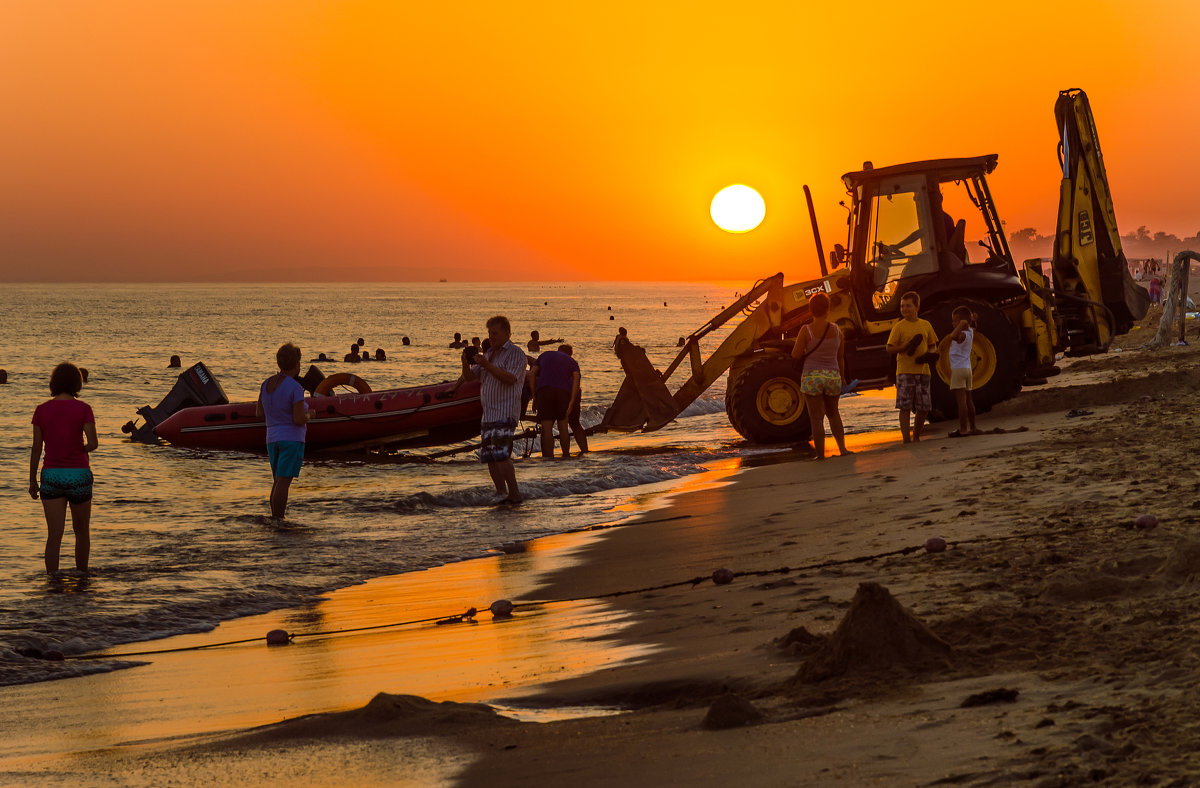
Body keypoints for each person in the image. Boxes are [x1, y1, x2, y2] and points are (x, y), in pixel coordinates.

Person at [29, 362, 97, 575]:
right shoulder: (84, 409)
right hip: (78, 474)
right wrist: (81, 449)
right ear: (77, 383)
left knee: (54, 534)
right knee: (81, 532)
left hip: (51, 475)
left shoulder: (41, 410)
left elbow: (36, 449)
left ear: (54, 383)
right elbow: (93, 443)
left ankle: (52, 582)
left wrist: (32, 481)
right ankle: (82, 577)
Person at [464, 316, 527, 504]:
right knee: (491, 457)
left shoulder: (515, 353)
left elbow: (510, 379)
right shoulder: (490, 353)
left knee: (501, 455)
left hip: (505, 411)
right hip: (488, 414)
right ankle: (501, 492)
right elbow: (469, 377)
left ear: (507, 333)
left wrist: (487, 365)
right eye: (489, 333)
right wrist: (464, 362)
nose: (491, 337)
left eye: (495, 333)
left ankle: (514, 493)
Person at [790, 293, 851, 459]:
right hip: (832, 375)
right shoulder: (837, 330)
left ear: (810, 310)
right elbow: (840, 357)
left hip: (812, 377)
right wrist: (843, 377)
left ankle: (820, 455)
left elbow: (795, 355)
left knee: (816, 418)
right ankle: (843, 450)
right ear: (828, 308)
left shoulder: (806, 330)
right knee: (834, 414)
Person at [255, 343, 310, 518]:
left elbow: (259, 413)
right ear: (296, 364)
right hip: (291, 439)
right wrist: (311, 415)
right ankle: (278, 520)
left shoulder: (266, 384)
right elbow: (299, 418)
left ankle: (275, 518)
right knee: (283, 482)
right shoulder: (295, 388)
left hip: (272, 438)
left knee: (278, 481)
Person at [884, 291, 939, 443]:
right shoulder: (899, 327)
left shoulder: (925, 325)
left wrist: (930, 354)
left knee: (924, 407)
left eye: (908, 306)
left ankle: (916, 436)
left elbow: (933, 345)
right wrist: (905, 347)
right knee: (905, 407)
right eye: (902, 306)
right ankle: (906, 438)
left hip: (923, 371)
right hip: (904, 371)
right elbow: (889, 348)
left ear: (917, 307)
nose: (905, 309)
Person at [530, 345, 581, 458]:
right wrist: (572, 402)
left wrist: (534, 396)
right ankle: (566, 455)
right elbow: (576, 379)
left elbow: (532, 373)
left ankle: (548, 459)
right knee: (563, 426)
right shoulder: (571, 361)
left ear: (558, 350)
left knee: (547, 428)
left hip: (544, 391)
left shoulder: (544, 355)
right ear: (570, 353)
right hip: (562, 393)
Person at [947, 306, 980, 437]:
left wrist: (962, 324)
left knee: (961, 402)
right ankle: (973, 427)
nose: (953, 324)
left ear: (962, 322)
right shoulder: (970, 332)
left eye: (955, 321)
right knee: (969, 400)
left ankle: (963, 429)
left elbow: (952, 336)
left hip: (958, 369)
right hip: (967, 369)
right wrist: (969, 321)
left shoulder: (961, 334)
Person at [560, 344, 589, 453]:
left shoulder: (562, 363)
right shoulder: (573, 363)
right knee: (575, 423)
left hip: (565, 393)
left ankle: (565, 453)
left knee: (562, 423)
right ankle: (585, 450)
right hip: (576, 393)